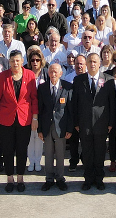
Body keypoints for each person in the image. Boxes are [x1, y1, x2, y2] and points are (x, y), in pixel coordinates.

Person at [0, 49, 38, 192]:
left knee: (22, 149)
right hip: (6, 119)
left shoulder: (30, 75)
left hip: (24, 118)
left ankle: (20, 178)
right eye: (12, 61)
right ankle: (10, 178)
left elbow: (34, 99)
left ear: (22, 61)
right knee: (7, 150)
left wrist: (35, 117)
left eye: (17, 60)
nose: (15, 63)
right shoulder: (3, 76)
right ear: (9, 62)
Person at [73, 52, 115, 190]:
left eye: (95, 62)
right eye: (90, 61)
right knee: (87, 152)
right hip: (84, 123)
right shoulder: (79, 80)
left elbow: (111, 103)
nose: (92, 64)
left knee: (100, 153)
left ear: (99, 63)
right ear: (86, 63)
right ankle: (88, 179)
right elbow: (75, 103)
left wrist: (110, 123)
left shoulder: (108, 80)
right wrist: (76, 123)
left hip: (101, 123)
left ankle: (99, 179)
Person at [39, 62, 73, 191]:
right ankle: (48, 179)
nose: (53, 74)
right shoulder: (42, 88)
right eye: (51, 71)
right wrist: (40, 129)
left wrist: (69, 129)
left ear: (61, 73)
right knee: (47, 154)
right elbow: (40, 109)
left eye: (56, 72)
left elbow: (70, 110)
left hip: (61, 127)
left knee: (60, 154)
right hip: (47, 126)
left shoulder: (67, 87)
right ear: (48, 73)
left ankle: (60, 178)